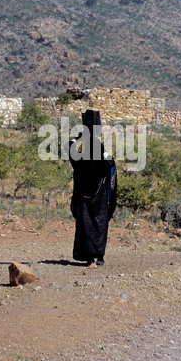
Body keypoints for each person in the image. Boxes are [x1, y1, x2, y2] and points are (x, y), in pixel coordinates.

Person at [67, 110, 117, 266]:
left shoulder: (80, 158)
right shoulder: (102, 157)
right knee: (100, 225)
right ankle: (99, 256)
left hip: (83, 197)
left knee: (85, 226)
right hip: (100, 197)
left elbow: (69, 147)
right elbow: (110, 163)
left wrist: (79, 138)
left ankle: (88, 257)